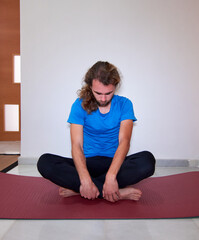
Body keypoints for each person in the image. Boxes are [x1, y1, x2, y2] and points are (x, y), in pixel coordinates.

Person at [37, 61, 155, 203]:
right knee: (45, 162)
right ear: (90, 87)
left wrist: (111, 177)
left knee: (147, 161)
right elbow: (77, 145)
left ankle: (80, 190)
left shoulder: (125, 104)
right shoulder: (79, 104)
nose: (103, 98)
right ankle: (112, 192)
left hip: (114, 164)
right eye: (98, 93)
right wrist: (85, 179)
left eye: (108, 93)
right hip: (87, 164)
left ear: (115, 88)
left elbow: (124, 141)